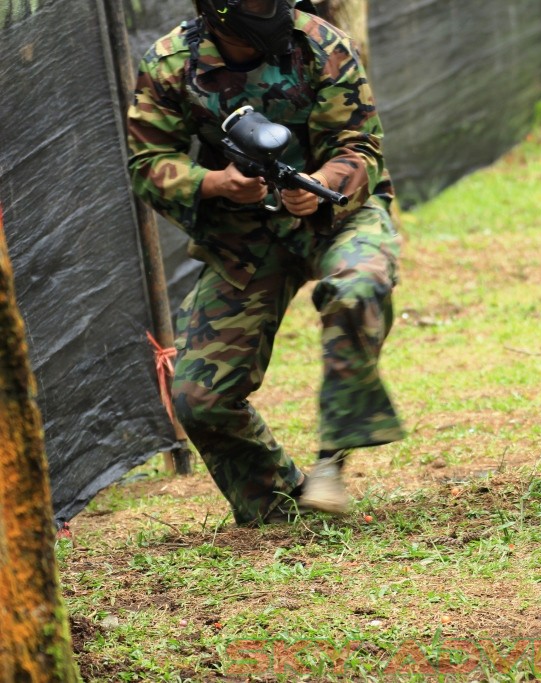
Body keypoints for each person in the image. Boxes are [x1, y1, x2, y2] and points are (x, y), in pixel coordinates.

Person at [126, 0, 404, 525]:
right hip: (245, 234)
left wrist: (323, 188)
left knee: (358, 285)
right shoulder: (171, 63)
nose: (270, 8)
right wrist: (217, 183)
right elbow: (147, 163)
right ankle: (280, 506)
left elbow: (361, 146)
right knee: (198, 398)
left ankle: (331, 463)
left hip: (340, 216)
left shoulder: (320, 44)